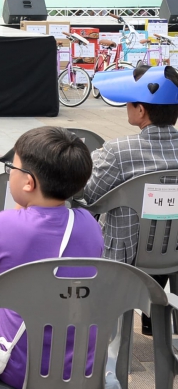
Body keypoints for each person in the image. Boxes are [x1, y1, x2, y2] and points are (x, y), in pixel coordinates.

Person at [0, 127, 102, 389]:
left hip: (20, 366)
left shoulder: (4, 225)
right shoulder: (90, 225)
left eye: (12, 168)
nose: (9, 173)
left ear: (29, 182)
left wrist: (15, 214)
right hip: (80, 363)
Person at [82, 65, 178, 331]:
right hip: (175, 250)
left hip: (126, 254)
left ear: (141, 110)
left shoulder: (118, 152)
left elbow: (88, 196)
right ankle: (154, 321)